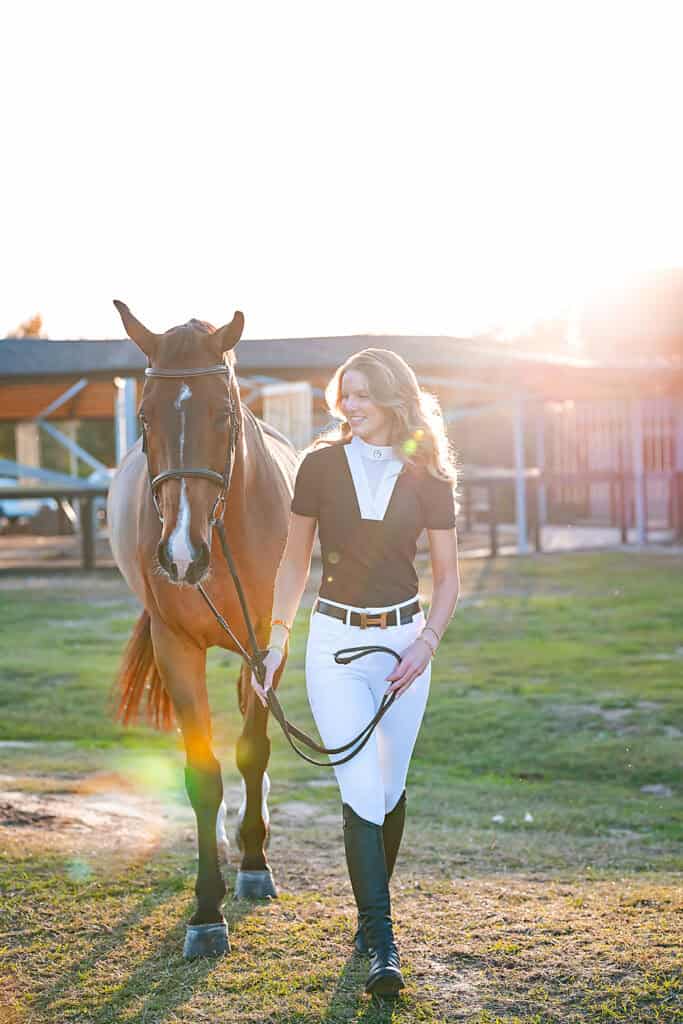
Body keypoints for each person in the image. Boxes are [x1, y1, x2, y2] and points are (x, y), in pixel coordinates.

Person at [250, 347, 460, 997]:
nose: (350, 404)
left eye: (364, 394)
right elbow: (292, 564)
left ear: (395, 399)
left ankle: (370, 924)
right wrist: (276, 643)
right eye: (345, 393)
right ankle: (382, 941)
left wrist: (425, 643)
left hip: (404, 644)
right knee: (360, 789)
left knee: (390, 790)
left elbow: (449, 579)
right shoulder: (317, 465)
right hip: (335, 643)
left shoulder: (428, 473)